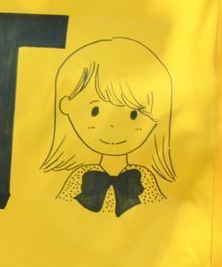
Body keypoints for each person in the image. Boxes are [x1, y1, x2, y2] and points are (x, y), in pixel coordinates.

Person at [41, 36, 176, 216]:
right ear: (67, 106)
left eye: (133, 114)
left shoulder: (145, 180)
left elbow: (159, 217)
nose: (113, 125)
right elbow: (57, 214)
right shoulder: (80, 177)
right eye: (95, 111)